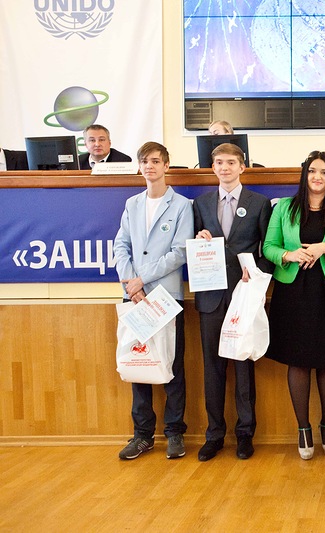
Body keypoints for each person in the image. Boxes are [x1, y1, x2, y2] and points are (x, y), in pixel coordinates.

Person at [263, 150, 325, 460]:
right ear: (304, 175)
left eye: (324, 172)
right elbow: (269, 247)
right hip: (293, 291)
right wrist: (288, 255)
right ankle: (303, 428)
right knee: (298, 360)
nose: (318, 177)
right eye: (312, 171)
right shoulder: (284, 207)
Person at [192, 143, 273, 462]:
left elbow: (268, 251)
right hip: (211, 295)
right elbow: (190, 249)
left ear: (242, 167)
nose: (224, 168)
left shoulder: (259, 203)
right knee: (212, 368)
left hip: (243, 295)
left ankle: (245, 433)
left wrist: (255, 272)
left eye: (230, 162)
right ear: (212, 167)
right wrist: (198, 242)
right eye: (219, 163)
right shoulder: (200, 204)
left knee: (243, 365)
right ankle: (214, 434)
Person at [113, 142, 193, 460]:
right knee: (139, 365)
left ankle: (174, 433)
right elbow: (121, 245)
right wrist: (132, 284)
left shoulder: (181, 205)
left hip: (165, 298)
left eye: (156, 161)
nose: (150, 166)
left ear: (166, 165)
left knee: (172, 366)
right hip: (135, 298)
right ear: (139, 166)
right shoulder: (132, 204)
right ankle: (142, 435)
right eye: (145, 161)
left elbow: (179, 252)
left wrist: (142, 279)